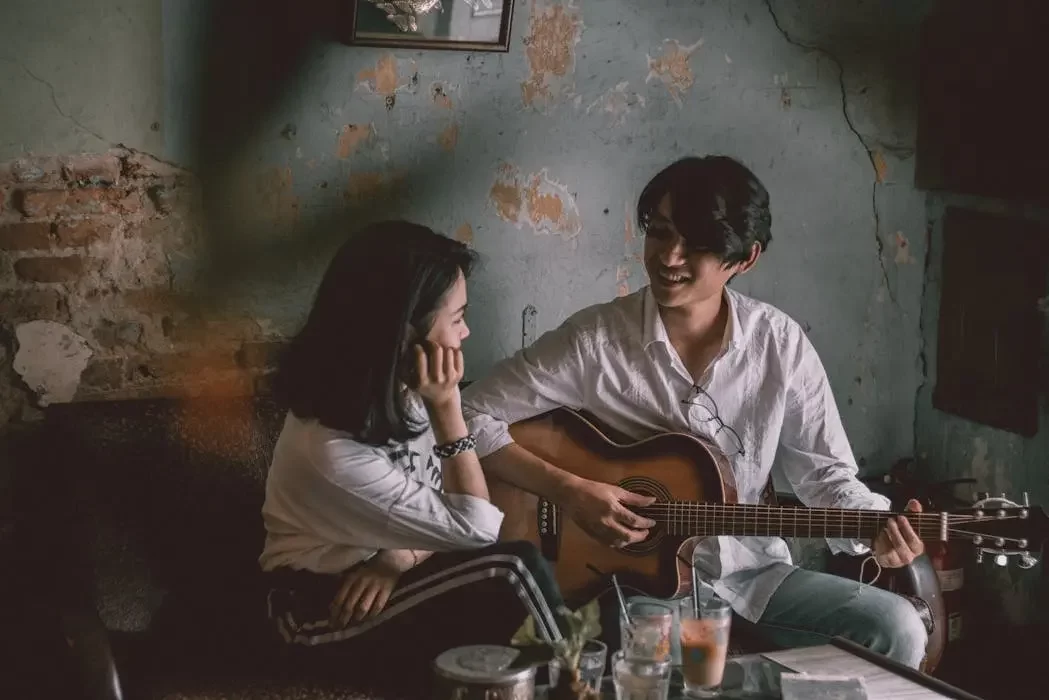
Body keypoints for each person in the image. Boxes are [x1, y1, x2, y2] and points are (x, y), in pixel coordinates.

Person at [461, 156, 930, 669]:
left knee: (897, 627)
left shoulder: (779, 344)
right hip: (638, 587)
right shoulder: (595, 342)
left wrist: (874, 527)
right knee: (665, 664)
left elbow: (825, 476)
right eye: (661, 233)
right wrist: (571, 492)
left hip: (756, 576)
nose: (670, 257)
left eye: (699, 245)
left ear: (745, 258)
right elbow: (468, 414)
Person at [258, 221, 565, 688]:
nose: (466, 332)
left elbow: (456, 519)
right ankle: (582, 689)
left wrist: (399, 557)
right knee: (512, 570)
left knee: (599, 605)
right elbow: (478, 530)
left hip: (392, 574)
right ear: (403, 330)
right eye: (457, 317)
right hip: (320, 610)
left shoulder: (402, 385)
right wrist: (447, 407)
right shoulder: (330, 449)